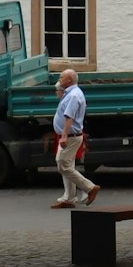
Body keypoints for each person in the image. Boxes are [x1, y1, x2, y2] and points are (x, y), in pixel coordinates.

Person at [50, 68, 100, 209]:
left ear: (69, 80)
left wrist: (64, 136)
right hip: (69, 136)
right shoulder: (71, 93)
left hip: (70, 137)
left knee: (62, 164)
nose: (59, 80)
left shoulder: (73, 96)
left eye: (61, 78)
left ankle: (89, 188)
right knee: (66, 165)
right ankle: (70, 198)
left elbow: (69, 118)